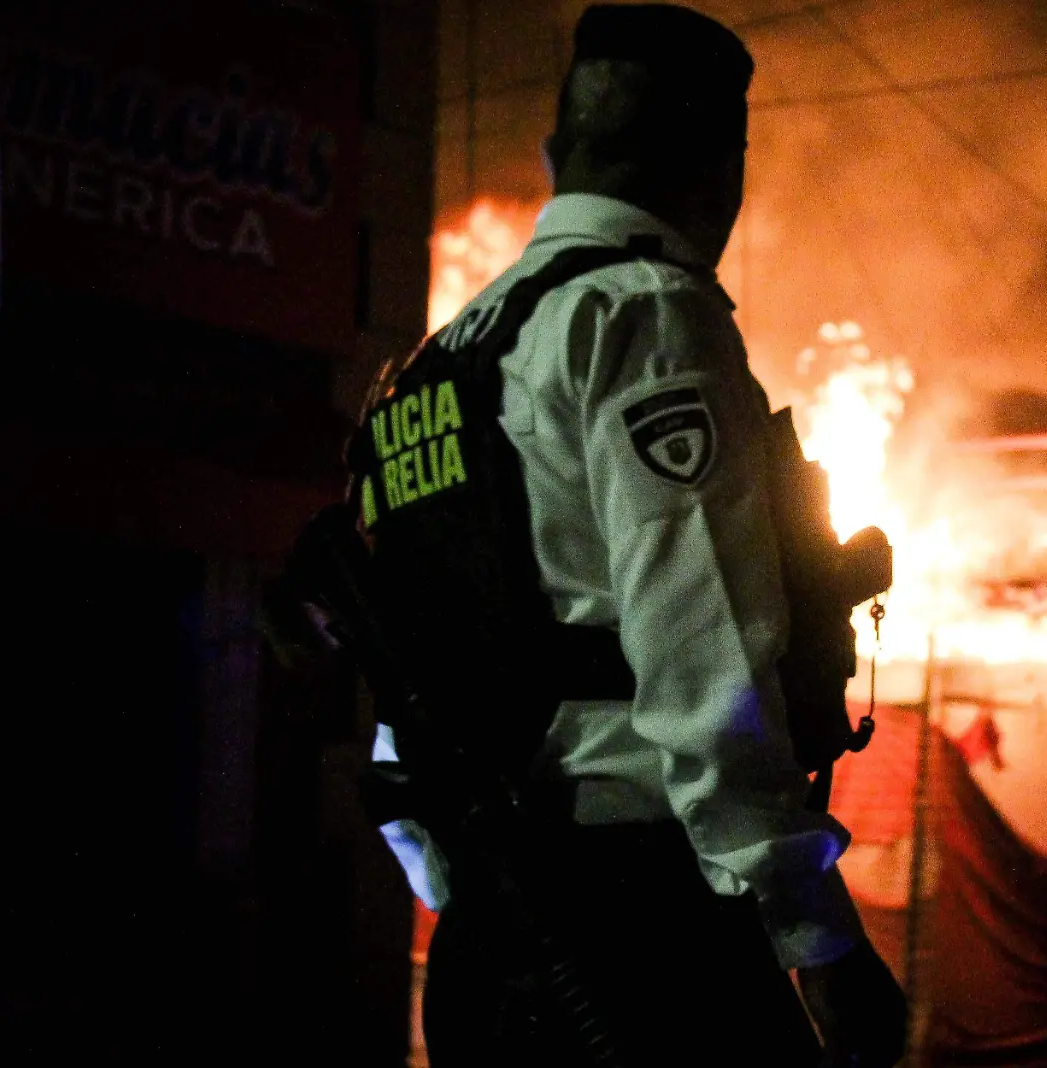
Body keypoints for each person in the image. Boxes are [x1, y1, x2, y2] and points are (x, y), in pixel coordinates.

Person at [360, 6, 907, 1065]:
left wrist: (459, 880)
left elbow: (401, 673)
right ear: (718, 164)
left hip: (491, 933)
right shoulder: (643, 312)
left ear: (555, 156)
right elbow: (702, 649)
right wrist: (815, 935)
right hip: (643, 930)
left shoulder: (431, 370)